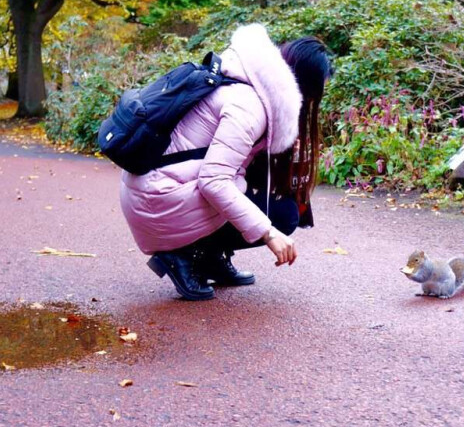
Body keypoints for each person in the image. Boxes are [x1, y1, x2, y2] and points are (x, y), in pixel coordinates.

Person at [119, 24, 332, 300]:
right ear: (301, 87)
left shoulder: (244, 78)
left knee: (280, 208)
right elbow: (213, 181)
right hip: (158, 200)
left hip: (152, 192)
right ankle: (183, 254)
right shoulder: (250, 106)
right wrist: (268, 234)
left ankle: (208, 255)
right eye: (313, 96)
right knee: (279, 216)